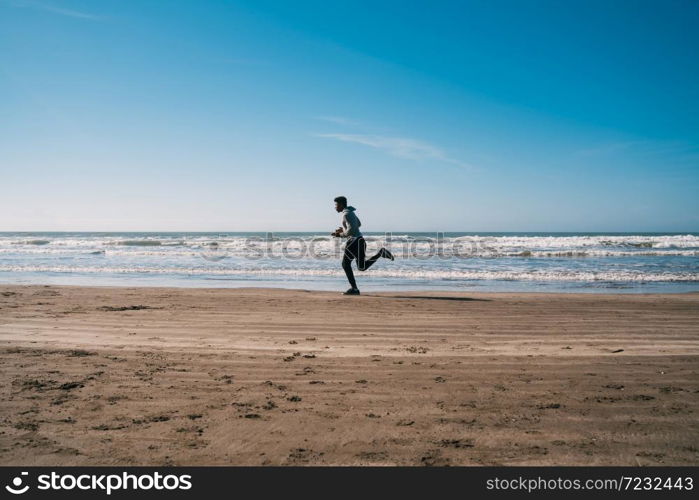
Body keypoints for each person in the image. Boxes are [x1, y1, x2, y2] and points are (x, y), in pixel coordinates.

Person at [331, 196, 393, 295]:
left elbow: (352, 230)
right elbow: (358, 224)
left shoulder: (346, 214)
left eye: (336, 205)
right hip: (360, 241)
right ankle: (381, 253)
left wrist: (340, 234)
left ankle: (354, 289)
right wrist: (344, 229)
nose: (335, 207)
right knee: (361, 267)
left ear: (341, 204)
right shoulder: (350, 213)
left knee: (345, 264)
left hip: (354, 242)